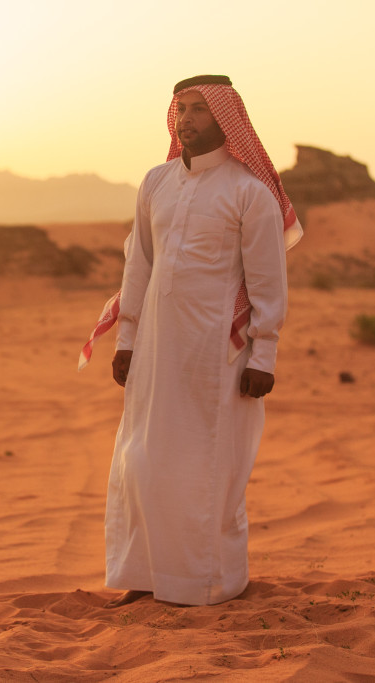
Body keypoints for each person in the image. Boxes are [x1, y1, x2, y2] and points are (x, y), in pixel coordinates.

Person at [92, 75, 302, 608]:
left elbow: (267, 283)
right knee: (143, 461)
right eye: (180, 109)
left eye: (200, 110)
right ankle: (145, 575)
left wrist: (265, 353)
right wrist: (128, 339)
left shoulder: (248, 192)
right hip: (156, 352)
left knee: (207, 469)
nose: (186, 119)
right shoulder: (156, 183)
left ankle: (212, 581)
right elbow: (138, 265)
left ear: (227, 119)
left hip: (217, 354)